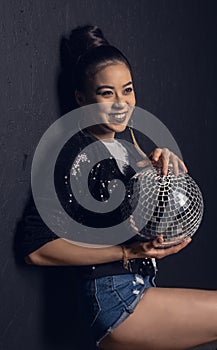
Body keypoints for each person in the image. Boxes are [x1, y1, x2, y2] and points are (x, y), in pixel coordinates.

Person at [21, 25, 217, 350]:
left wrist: (161, 173)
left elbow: (150, 226)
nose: (121, 103)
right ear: (82, 99)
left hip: (142, 287)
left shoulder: (126, 152)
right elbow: (34, 249)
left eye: (127, 90)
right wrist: (127, 252)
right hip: (116, 298)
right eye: (106, 93)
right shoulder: (74, 154)